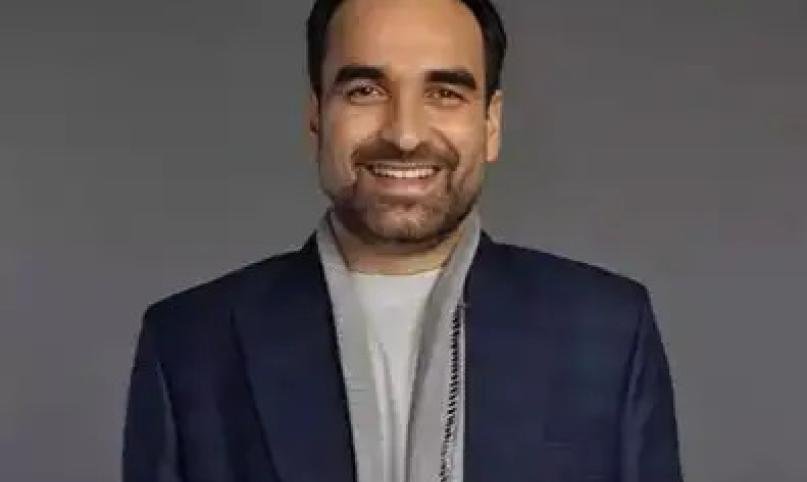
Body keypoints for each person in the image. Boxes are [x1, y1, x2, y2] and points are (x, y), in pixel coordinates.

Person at [122, 0, 684, 481]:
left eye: (445, 92)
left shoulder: (608, 333)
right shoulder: (190, 347)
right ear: (317, 116)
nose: (405, 134)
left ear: (491, 124)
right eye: (366, 90)